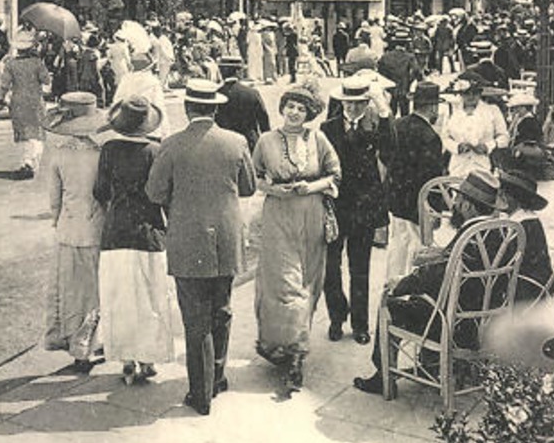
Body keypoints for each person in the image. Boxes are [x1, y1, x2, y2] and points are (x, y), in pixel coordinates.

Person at [146, 78, 256, 416]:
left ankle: (201, 392)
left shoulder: (172, 145)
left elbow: (155, 193)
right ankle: (217, 377)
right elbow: (248, 187)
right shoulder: (236, 142)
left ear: (187, 107)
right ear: (215, 107)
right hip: (226, 237)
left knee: (195, 320)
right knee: (221, 310)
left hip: (187, 238)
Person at [354, 169, 508, 395]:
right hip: (486, 325)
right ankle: (435, 365)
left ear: (468, 206)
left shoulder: (468, 236)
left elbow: (435, 276)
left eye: (458, 200)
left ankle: (383, 378)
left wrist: (401, 283)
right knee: (428, 297)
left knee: (391, 302)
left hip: (453, 327)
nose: (454, 204)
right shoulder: (502, 232)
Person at [251, 86, 341, 394]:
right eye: (289, 106)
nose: (293, 112)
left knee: (307, 282)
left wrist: (312, 187)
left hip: (311, 216)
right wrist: (274, 190)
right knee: (282, 282)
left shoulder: (319, 139)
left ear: (309, 114)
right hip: (278, 215)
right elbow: (254, 178)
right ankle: (279, 344)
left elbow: (334, 174)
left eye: (300, 109)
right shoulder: (265, 141)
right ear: (282, 108)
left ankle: (296, 352)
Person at [94, 94, 174, 385]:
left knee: (120, 298)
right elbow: (163, 194)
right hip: (150, 232)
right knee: (151, 297)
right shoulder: (156, 151)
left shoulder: (109, 149)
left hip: (116, 232)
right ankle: (148, 359)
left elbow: (100, 191)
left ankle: (126, 359)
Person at [321, 76, 391, 345]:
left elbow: (390, 150)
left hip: (363, 209)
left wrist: (384, 112)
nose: (352, 109)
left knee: (359, 268)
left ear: (366, 103)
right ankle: (336, 318)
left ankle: (360, 324)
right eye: (347, 103)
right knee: (331, 267)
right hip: (336, 208)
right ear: (341, 103)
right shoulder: (327, 128)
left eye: (358, 103)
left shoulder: (375, 126)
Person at [43, 92, 106, 372]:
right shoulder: (101, 154)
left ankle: (74, 344)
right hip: (97, 227)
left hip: (69, 228)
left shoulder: (59, 155)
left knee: (70, 289)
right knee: (94, 288)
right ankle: (93, 343)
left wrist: (58, 220)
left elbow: (54, 200)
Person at [378, 80, 445, 282]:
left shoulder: (397, 125)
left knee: (398, 246)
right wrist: (436, 209)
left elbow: (384, 156)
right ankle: (407, 290)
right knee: (416, 250)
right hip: (418, 203)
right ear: (433, 107)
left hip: (397, 198)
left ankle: (391, 288)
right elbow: (433, 177)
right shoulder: (430, 136)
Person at [0, 28, 51, 179]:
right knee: (36, 132)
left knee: (23, 134)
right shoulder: (38, 63)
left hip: (18, 101)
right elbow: (46, 80)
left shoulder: (11, 64)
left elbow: (4, 85)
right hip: (35, 101)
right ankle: (33, 163)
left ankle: (26, 163)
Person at [496, 168, 554, 301]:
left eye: (504, 192)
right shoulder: (522, 218)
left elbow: (503, 261)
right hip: (530, 284)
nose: (500, 195)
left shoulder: (520, 225)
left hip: (527, 290)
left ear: (517, 199)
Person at [442, 72, 509, 178]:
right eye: (467, 93)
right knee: (457, 192)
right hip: (458, 167)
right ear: (460, 93)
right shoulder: (453, 111)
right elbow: (444, 138)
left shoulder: (491, 111)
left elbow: (504, 137)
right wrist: (457, 147)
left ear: (480, 93)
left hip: (483, 166)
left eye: (475, 93)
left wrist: (488, 146)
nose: (471, 97)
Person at [215, 55, 271, 152]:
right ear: (238, 72)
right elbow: (263, 122)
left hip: (224, 145)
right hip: (250, 144)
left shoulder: (215, 95)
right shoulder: (252, 93)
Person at [377, 30, 417, 117]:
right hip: (404, 87)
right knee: (405, 112)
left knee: (390, 111)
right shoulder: (410, 57)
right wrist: (409, 81)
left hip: (390, 88)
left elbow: (380, 71)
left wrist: (387, 82)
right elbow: (416, 71)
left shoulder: (386, 56)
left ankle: (392, 128)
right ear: (406, 44)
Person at [78, 32, 105, 106]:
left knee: (85, 99)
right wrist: (99, 78)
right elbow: (95, 68)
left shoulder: (84, 53)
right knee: (100, 94)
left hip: (84, 78)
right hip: (92, 79)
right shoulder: (94, 54)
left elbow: (80, 68)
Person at [247, 18, 264, 82]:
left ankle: (253, 75)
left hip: (252, 48)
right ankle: (258, 75)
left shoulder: (250, 34)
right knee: (257, 62)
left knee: (253, 62)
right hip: (257, 49)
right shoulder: (259, 35)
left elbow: (247, 41)